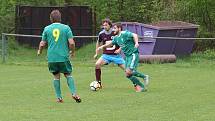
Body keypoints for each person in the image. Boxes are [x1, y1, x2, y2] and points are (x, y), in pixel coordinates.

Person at [37, 10, 81, 103]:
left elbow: (42, 44)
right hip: (63, 57)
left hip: (51, 58)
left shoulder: (47, 28)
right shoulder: (66, 28)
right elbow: (72, 43)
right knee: (68, 75)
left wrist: (39, 51)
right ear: (60, 18)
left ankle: (59, 98)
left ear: (51, 18)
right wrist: (72, 52)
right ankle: (74, 93)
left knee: (56, 77)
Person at [97, 23, 149, 92]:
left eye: (115, 28)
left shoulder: (124, 33)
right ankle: (143, 87)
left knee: (129, 71)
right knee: (128, 75)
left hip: (133, 54)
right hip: (127, 57)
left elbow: (135, 35)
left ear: (119, 28)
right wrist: (102, 47)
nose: (113, 29)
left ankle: (144, 76)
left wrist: (136, 43)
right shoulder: (116, 38)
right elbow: (110, 44)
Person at [94, 19, 125, 88]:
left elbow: (122, 41)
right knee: (97, 64)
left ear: (110, 25)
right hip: (106, 55)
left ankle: (136, 84)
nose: (104, 27)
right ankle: (98, 84)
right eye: (103, 25)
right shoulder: (101, 34)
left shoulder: (115, 32)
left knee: (127, 70)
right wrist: (96, 53)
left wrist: (119, 49)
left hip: (116, 56)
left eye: (106, 25)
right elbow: (98, 43)